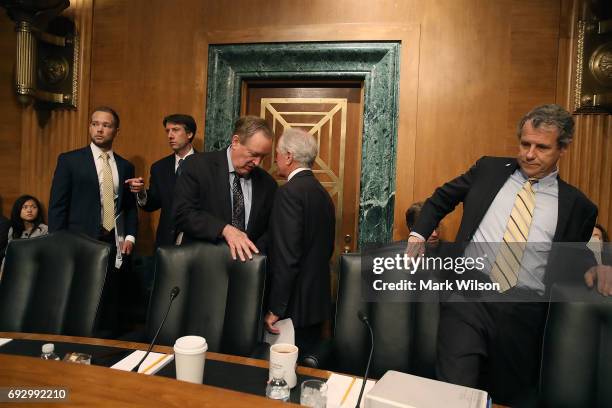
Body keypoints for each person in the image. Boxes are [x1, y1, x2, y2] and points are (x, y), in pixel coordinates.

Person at [406, 104, 609, 404]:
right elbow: (440, 199)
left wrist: (598, 267)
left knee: (507, 397)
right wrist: (418, 233)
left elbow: (574, 258)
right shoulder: (488, 170)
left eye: (542, 147)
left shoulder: (579, 207)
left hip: (523, 313)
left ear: (563, 148)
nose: (529, 154)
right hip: (468, 296)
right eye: (525, 144)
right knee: (455, 393)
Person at [48, 106, 138, 336]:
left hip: (113, 243)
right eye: (95, 123)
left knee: (107, 298)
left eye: (106, 125)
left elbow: (128, 207)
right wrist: (57, 243)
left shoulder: (125, 165)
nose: (99, 129)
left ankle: (103, 344)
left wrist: (129, 236)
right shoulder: (70, 160)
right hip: (78, 241)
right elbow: (58, 205)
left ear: (116, 130)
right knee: (79, 296)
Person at [264, 128, 335, 352]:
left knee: (284, 374)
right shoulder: (323, 194)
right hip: (316, 304)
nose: (275, 158)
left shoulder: (289, 193)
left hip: (292, 307)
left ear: (288, 156)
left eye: (277, 153)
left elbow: (287, 257)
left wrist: (276, 308)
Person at [173, 116, 277, 261]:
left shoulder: (268, 183)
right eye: (253, 154)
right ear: (235, 142)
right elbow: (182, 213)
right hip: (203, 265)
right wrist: (224, 229)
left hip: (247, 269)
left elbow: (268, 230)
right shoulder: (197, 166)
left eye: (263, 156)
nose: (257, 162)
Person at [125, 114, 197, 248]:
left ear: (189, 134)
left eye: (175, 130)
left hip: (197, 242)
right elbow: (153, 203)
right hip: (166, 242)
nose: (170, 135)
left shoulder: (206, 164)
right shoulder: (159, 167)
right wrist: (141, 192)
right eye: (167, 131)